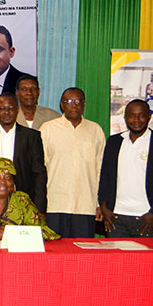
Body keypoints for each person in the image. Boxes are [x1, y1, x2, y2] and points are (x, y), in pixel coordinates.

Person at [98, 99, 153, 238]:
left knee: (144, 254)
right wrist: (104, 206)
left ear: (149, 116)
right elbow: (105, 176)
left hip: (146, 218)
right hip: (115, 217)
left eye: (141, 115)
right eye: (131, 116)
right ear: (125, 118)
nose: (136, 120)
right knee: (116, 253)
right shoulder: (114, 142)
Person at [40, 87, 105, 238]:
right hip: (54, 204)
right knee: (54, 250)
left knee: (83, 250)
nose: (74, 105)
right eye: (69, 101)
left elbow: (100, 170)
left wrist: (98, 203)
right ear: (62, 104)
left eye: (78, 101)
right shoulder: (48, 129)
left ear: (84, 104)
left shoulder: (95, 130)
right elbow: (41, 170)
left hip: (85, 205)